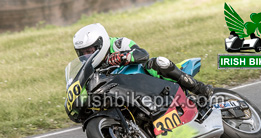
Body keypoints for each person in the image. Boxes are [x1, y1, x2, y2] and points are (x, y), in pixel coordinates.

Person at [73, 23, 213, 97]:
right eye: (83, 53)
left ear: (100, 44)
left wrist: (124, 57)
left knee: (158, 62)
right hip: (125, 93)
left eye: (90, 50)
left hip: (144, 79)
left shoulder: (118, 44)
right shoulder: (90, 67)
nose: (87, 55)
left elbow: (143, 55)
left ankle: (199, 88)